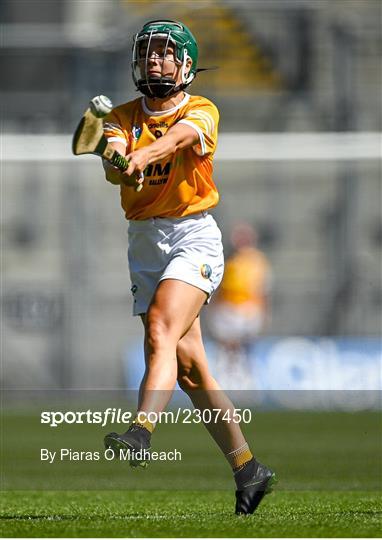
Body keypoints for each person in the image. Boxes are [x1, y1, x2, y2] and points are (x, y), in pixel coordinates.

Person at [101, 19, 275, 515]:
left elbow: (173, 142)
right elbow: (113, 155)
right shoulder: (120, 116)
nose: (153, 60)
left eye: (165, 53)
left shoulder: (201, 110)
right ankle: (248, 469)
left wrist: (140, 156)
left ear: (186, 65)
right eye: (148, 52)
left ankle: (140, 431)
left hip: (191, 235)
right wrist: (117, 160)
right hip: (143, 244)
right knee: (193, 372)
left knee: (160, 328)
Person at [207, 223, 272, 389]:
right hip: (228, 308)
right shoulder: (228, 260)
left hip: (249, 308)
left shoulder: (257, 261)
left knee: (244, 347)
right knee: (226, 346)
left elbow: (263, 289)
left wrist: (263, 313)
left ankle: (246, 381)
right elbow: (220, 288)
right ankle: (224, 380)